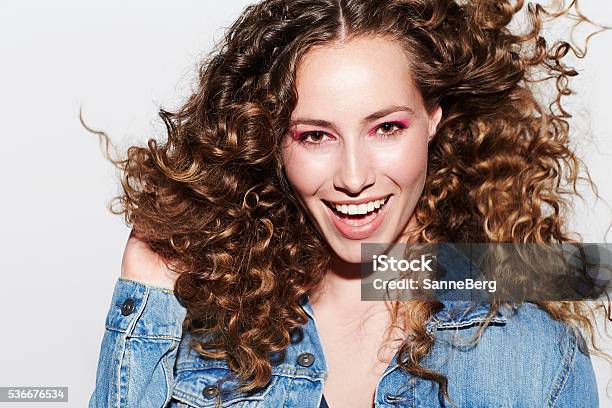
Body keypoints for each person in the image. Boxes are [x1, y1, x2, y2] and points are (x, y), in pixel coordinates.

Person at [85, 0, 612, 407]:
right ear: (271, 139)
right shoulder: (207, 330)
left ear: (433, 117)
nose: (354, 178)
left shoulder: (531, 355)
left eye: (386, 127)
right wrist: (145, 301)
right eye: (315, 136)